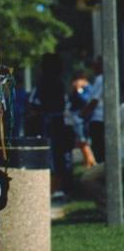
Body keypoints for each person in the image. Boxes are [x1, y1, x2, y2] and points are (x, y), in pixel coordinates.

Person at [28, 53, 71, 199]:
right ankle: (62, 187)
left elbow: (33, 102)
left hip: (46, 123)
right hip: (60, 122)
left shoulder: (41, 82)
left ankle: (50, 187)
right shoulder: (60, 82)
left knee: (48, 155)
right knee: (60, 155)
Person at [82, 57, 105, 163]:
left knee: (99, 148)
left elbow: (94, 100)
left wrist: (84, 113)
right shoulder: (99, 79)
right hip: (97, 118)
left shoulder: (102, 79)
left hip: (99, 118)